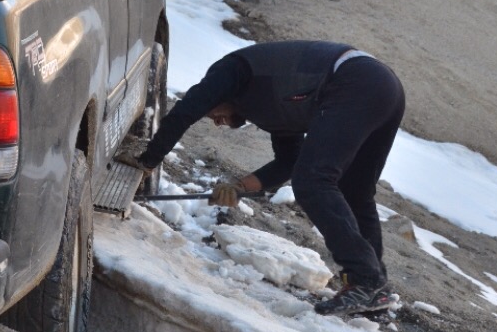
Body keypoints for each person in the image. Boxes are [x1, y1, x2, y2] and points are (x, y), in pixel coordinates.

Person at [125, 40, 405, 317]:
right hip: (381, 86)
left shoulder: (230, 73)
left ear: (215, 97)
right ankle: (374, 291)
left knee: (314, 182)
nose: (215, 120)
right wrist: (239, 188)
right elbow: (289, 162)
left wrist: (147, 161)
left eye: (212, 112)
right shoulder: (271, 104)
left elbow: (184, 113)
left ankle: (365, 280)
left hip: (354, 81)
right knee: (355, 191)